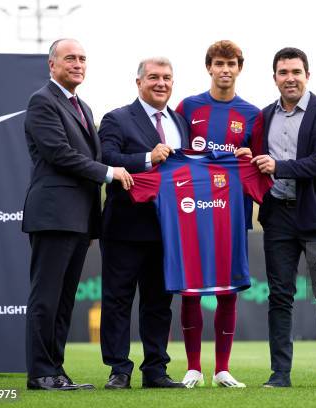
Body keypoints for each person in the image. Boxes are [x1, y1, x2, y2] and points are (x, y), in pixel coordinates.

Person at [22, 38, 133, 391]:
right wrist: (108, 173)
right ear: (51, 64)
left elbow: (91, 155)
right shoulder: (42, 101)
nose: (78, 64)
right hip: (54, 214)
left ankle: (56, 371)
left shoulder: (82, 105)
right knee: (46, 298)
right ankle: (41, 373)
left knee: (64, 300)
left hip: (79, 218)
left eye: (83, 58)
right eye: (70, 58)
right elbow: (59, 154)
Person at [251, 47, 316, 388]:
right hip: (277, 217)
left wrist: (279, 167)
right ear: (275, 77)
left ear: (307, 75)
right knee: (279, 297)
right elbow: (253, 157)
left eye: (296, 71)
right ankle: (280, 373)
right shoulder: (263, 116)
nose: (290, 78)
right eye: (283, 72)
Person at [175, 40, 263, 388]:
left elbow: (260, 167)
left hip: (233, 215)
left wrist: (248, 157)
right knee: (191, 290)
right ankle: (193, 368)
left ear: (239, 68)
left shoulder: (253, 114)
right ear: (208, 67)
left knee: (228, 291)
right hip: (192, 215)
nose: (225, 69)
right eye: (219, 63)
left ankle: (222, 368)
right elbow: (176, 159)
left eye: (231, 63)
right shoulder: (187, 107)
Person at [98, 57, 189, 389]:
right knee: (118, 299)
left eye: (167, 77)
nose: (161, 83)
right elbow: (105, 159)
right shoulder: (116, 119)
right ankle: (119, 369)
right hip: (125, 227)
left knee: (158, 302)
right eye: (153, 77)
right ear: (139, 82)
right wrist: (148, 158)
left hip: (169, 231)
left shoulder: (181, 122)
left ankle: (156, 369)